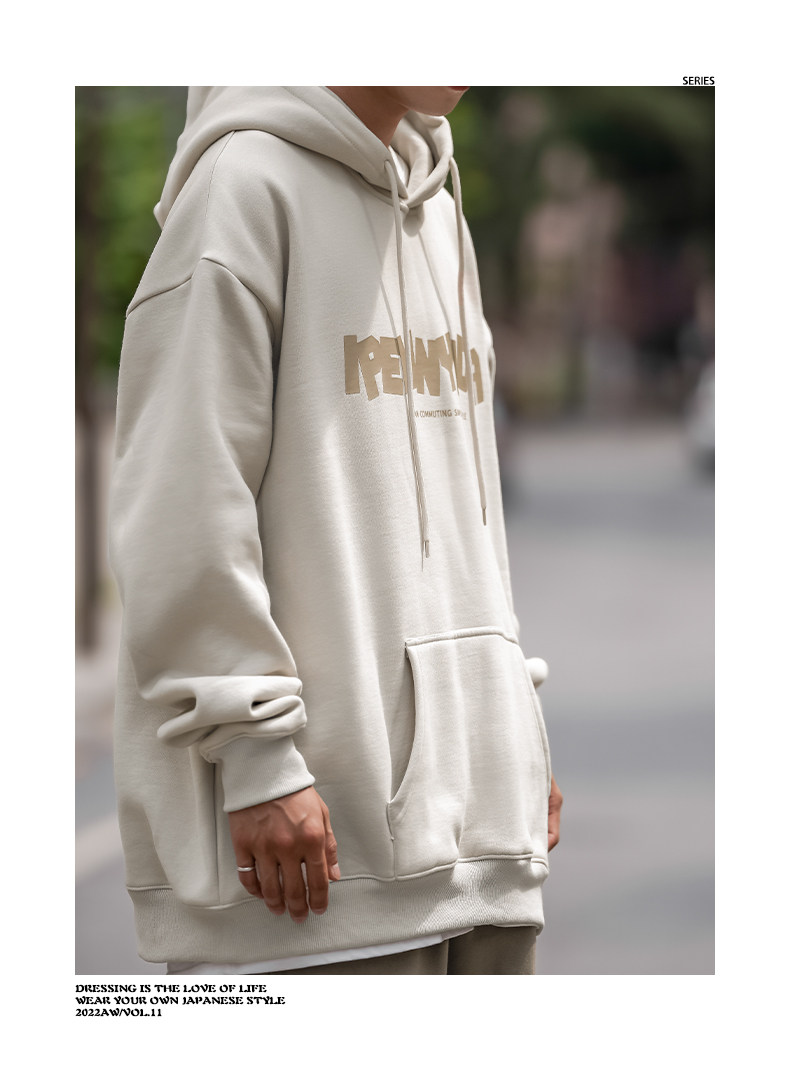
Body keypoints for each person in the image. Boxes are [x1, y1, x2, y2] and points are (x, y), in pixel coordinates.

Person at [109, 86, 563, 976]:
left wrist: (504, 732)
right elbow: (182, 503)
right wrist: (256, 758)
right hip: (308, 877)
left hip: (482, 863)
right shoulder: (242, 188)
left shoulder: (439, 212)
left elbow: (463, 524)